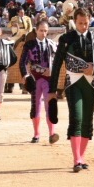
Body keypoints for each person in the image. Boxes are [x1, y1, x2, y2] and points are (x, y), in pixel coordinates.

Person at [51, 2, 94, 173]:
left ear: (89, 21)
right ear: (75, 21)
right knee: (77, 117)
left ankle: (81, 156)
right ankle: (76, 159)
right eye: (80, 23)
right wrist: (52, 90)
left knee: (87, 120)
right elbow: (57, 64)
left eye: (86, 23)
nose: (83, 26)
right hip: (73, 83)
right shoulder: (66, 39)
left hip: (91, 84)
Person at [23, 16, 60, 144]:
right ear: (36, 30)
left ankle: (52, 133)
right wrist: (26, 76)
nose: (43, 33)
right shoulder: (29, 45)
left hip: (48, 80)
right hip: (35, 79)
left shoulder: (52, 44)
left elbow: (57, 61)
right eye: (41, 31)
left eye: (45, 31)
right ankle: (36, 134)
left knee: (50, 105)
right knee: (36, 106)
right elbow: (23, 62)